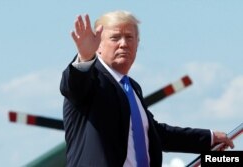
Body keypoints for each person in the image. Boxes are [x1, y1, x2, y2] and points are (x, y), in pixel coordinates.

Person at [60, 10, 234, 167]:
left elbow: (155, 134)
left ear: (138, 43)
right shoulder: (91, 79)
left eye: (129, 37)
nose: (123, 44)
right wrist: (84, 57)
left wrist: (209, 138)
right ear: (97, 45)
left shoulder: (131, 88)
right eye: (115, 38)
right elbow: (73, 87)